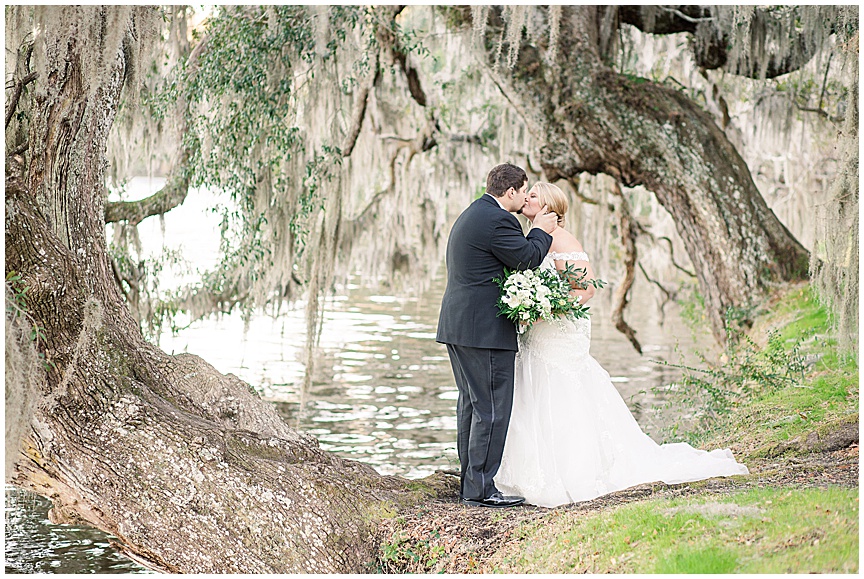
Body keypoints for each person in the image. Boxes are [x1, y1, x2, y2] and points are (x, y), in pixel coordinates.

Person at [495, 182, 749, 508]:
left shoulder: (560, 239)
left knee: (561, 390)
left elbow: (584, 290)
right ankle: (531, 473)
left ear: (548, 207)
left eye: (533, 195)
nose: (526, 198)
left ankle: (573, 472)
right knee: (533, 391)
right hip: (536, 333)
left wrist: (545, 309)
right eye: (525, 194)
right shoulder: (531, 239)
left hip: (557, 331)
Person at [436, 163, 559, 508]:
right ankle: (480, 490)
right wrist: (540, 230)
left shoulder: (474, 212)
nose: (524, 197)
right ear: (511, 192)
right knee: (491, 409)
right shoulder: (499, 220)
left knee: (473, 405)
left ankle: (471, 483)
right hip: (483, 330)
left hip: (460, 325)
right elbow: (526, 258)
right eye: (523, 191)